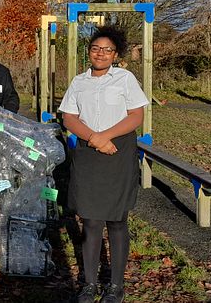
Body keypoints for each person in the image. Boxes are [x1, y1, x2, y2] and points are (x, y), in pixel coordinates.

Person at [58, 26, 149, 303]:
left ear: (116, 54)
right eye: (96, 48)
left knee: (117, 220)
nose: (101, 53)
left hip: (118, 151)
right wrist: (94, 138)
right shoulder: (78, 82)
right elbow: (69, 118)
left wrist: (105, 137)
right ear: (89, 51)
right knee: (91, 221)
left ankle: (116, 286)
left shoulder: (125, 79)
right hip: (88, 154)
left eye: (107, 50)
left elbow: (136, 116)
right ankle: (90, 283)